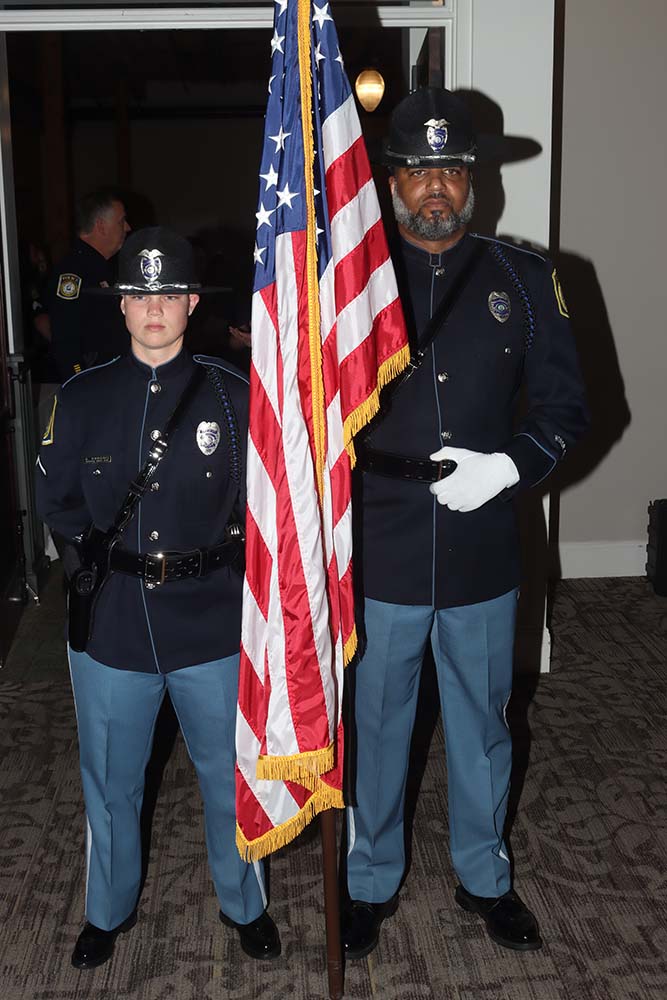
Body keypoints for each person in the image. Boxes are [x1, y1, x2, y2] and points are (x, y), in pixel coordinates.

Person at [342, 88, 589, 958]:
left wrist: (510, 467)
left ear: (472, 179)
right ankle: (367, 881)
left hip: (484, 543)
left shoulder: (524, 280)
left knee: (483, 722)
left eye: (450, 168)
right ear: (392, 181)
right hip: (381, 543)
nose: (435, 186)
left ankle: (485, 877)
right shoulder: (349, 286)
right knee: (377, 722)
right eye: (418, 170)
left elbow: (565, 408)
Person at [35, 227, 280, 969]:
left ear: (191, 303)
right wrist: (92, 571)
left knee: (226, 777)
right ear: (121, 305)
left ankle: (245, 903)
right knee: (110, 781)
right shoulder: (81, 397)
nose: (154, 308)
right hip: (113, 623)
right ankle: (106, 911)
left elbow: (266, 502)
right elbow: (57, 498)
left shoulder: (234, 395)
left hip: (211, 618)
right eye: (141, 294)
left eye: (168, 294)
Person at [46, 188, 131, 381]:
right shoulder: (74, 273)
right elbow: (66, 339)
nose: (127, 227)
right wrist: (80, 382)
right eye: (121, 221)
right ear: (101, 226)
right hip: (94, 382)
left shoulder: (103, 268)